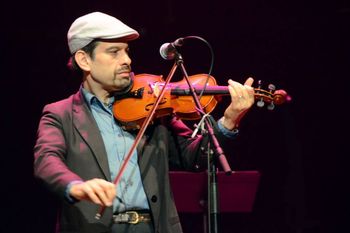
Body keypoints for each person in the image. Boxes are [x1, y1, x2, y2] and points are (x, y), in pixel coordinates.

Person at [33, 11, 255, 233]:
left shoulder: (154, 107)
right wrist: (76, 186)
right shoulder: (60, 114)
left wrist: (229, 120)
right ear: (84, 60)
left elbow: (194, 156)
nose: (127, 60)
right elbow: (46, 160)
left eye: (126, 52)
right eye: (114, 52)